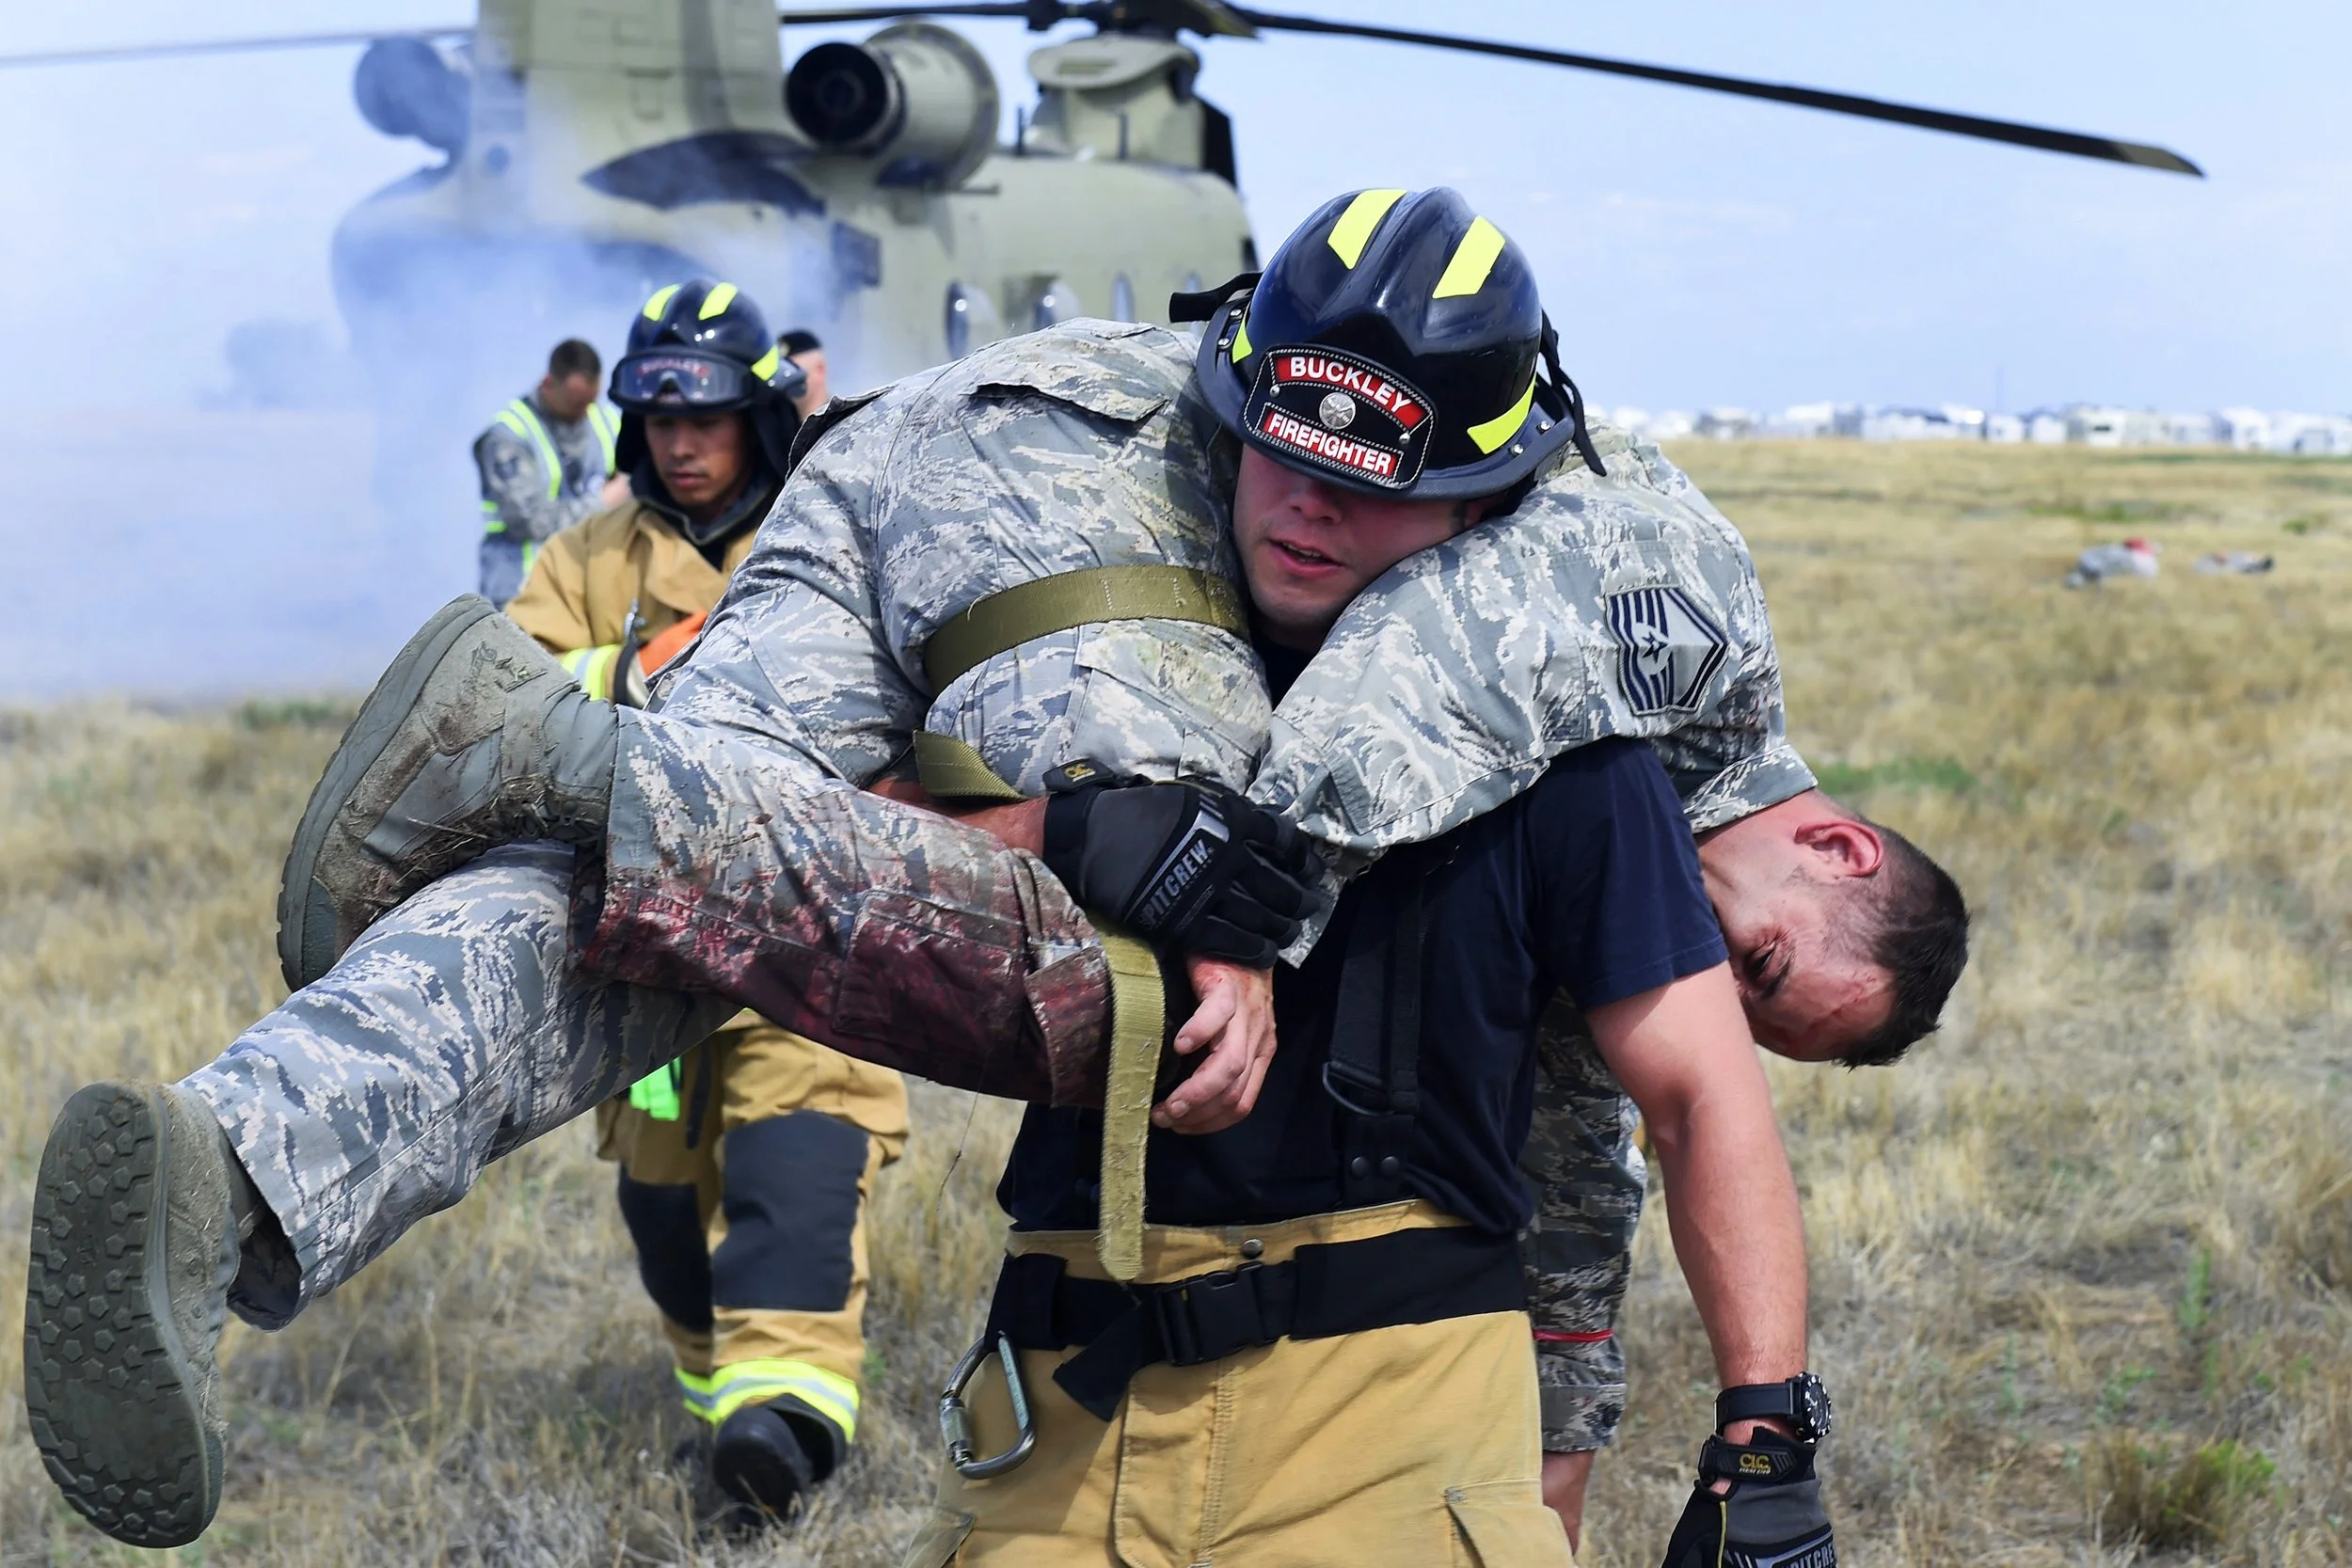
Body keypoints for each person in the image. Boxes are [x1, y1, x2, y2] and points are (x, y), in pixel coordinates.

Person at [25, 191, 1964, 1556]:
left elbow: (1578, 1157)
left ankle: (239, 1159)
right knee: (1110, 970)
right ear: (1825, 835)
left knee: (684, 906)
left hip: (883, 481)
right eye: (1772, 960)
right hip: (1048, 481)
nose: (1734, 987)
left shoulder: (1558, 677)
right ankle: (574, 750)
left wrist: (1579, 1428)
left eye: (1764, 1009)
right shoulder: (1646, 570)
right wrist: (1241, 915)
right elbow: (1406, 694)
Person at [503, 280, 897, 1517]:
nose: (682, 439)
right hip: (648, 941)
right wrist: (629, 667)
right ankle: (716, 1409)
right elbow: (508, 706)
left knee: (799, 1157)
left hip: (807, 927)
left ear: (758, 418)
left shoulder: (831, 537)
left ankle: (781, 1431)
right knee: (663, 1200)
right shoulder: (585, 561)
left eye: (710, 414)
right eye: (658, 414)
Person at [473, 339, 627, 608]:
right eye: (575, 402)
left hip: (589, 588)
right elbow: (531, 521)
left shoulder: (607, 422)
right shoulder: (508, 436)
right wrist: (605, 502)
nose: (583, 412)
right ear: (548, 383)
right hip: (522, 590)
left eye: (590, 402)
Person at [779, 329, 828, 420]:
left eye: (793, 370)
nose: (786, 378)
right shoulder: (777, 427)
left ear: (820, 370)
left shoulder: (844, 421)